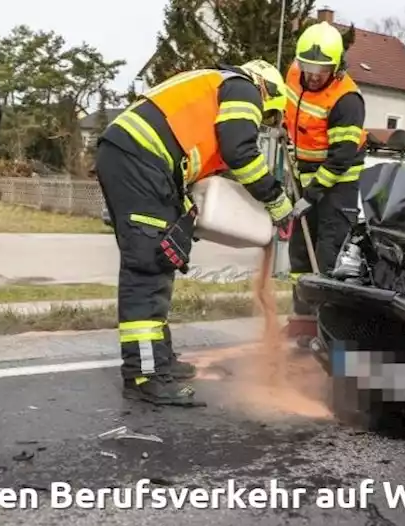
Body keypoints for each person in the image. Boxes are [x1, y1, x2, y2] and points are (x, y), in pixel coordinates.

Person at [96, 60, 295, 406]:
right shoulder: (244, 89)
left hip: (140, 161)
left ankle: (161, 361)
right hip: (142, 161)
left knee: (160, 260)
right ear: (269, 92)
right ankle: (145, 376)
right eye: (266, 117)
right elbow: (241, 153)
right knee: (146, 269)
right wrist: (276, 198)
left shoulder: (216, 86)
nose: (260, 122)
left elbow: (205, 157)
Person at [282, 21, 366, 343]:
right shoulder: (294, 74)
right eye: (308, 66)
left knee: (328, 255)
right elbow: (283, 101)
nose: (313, 75)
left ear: (337, 67)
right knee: (300, 254)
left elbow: (340, 159)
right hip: (306, 181)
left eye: (322, 69)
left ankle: (327, 329)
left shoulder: (347, 101)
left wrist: (312, 195)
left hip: (338, 186)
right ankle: (302, 320)